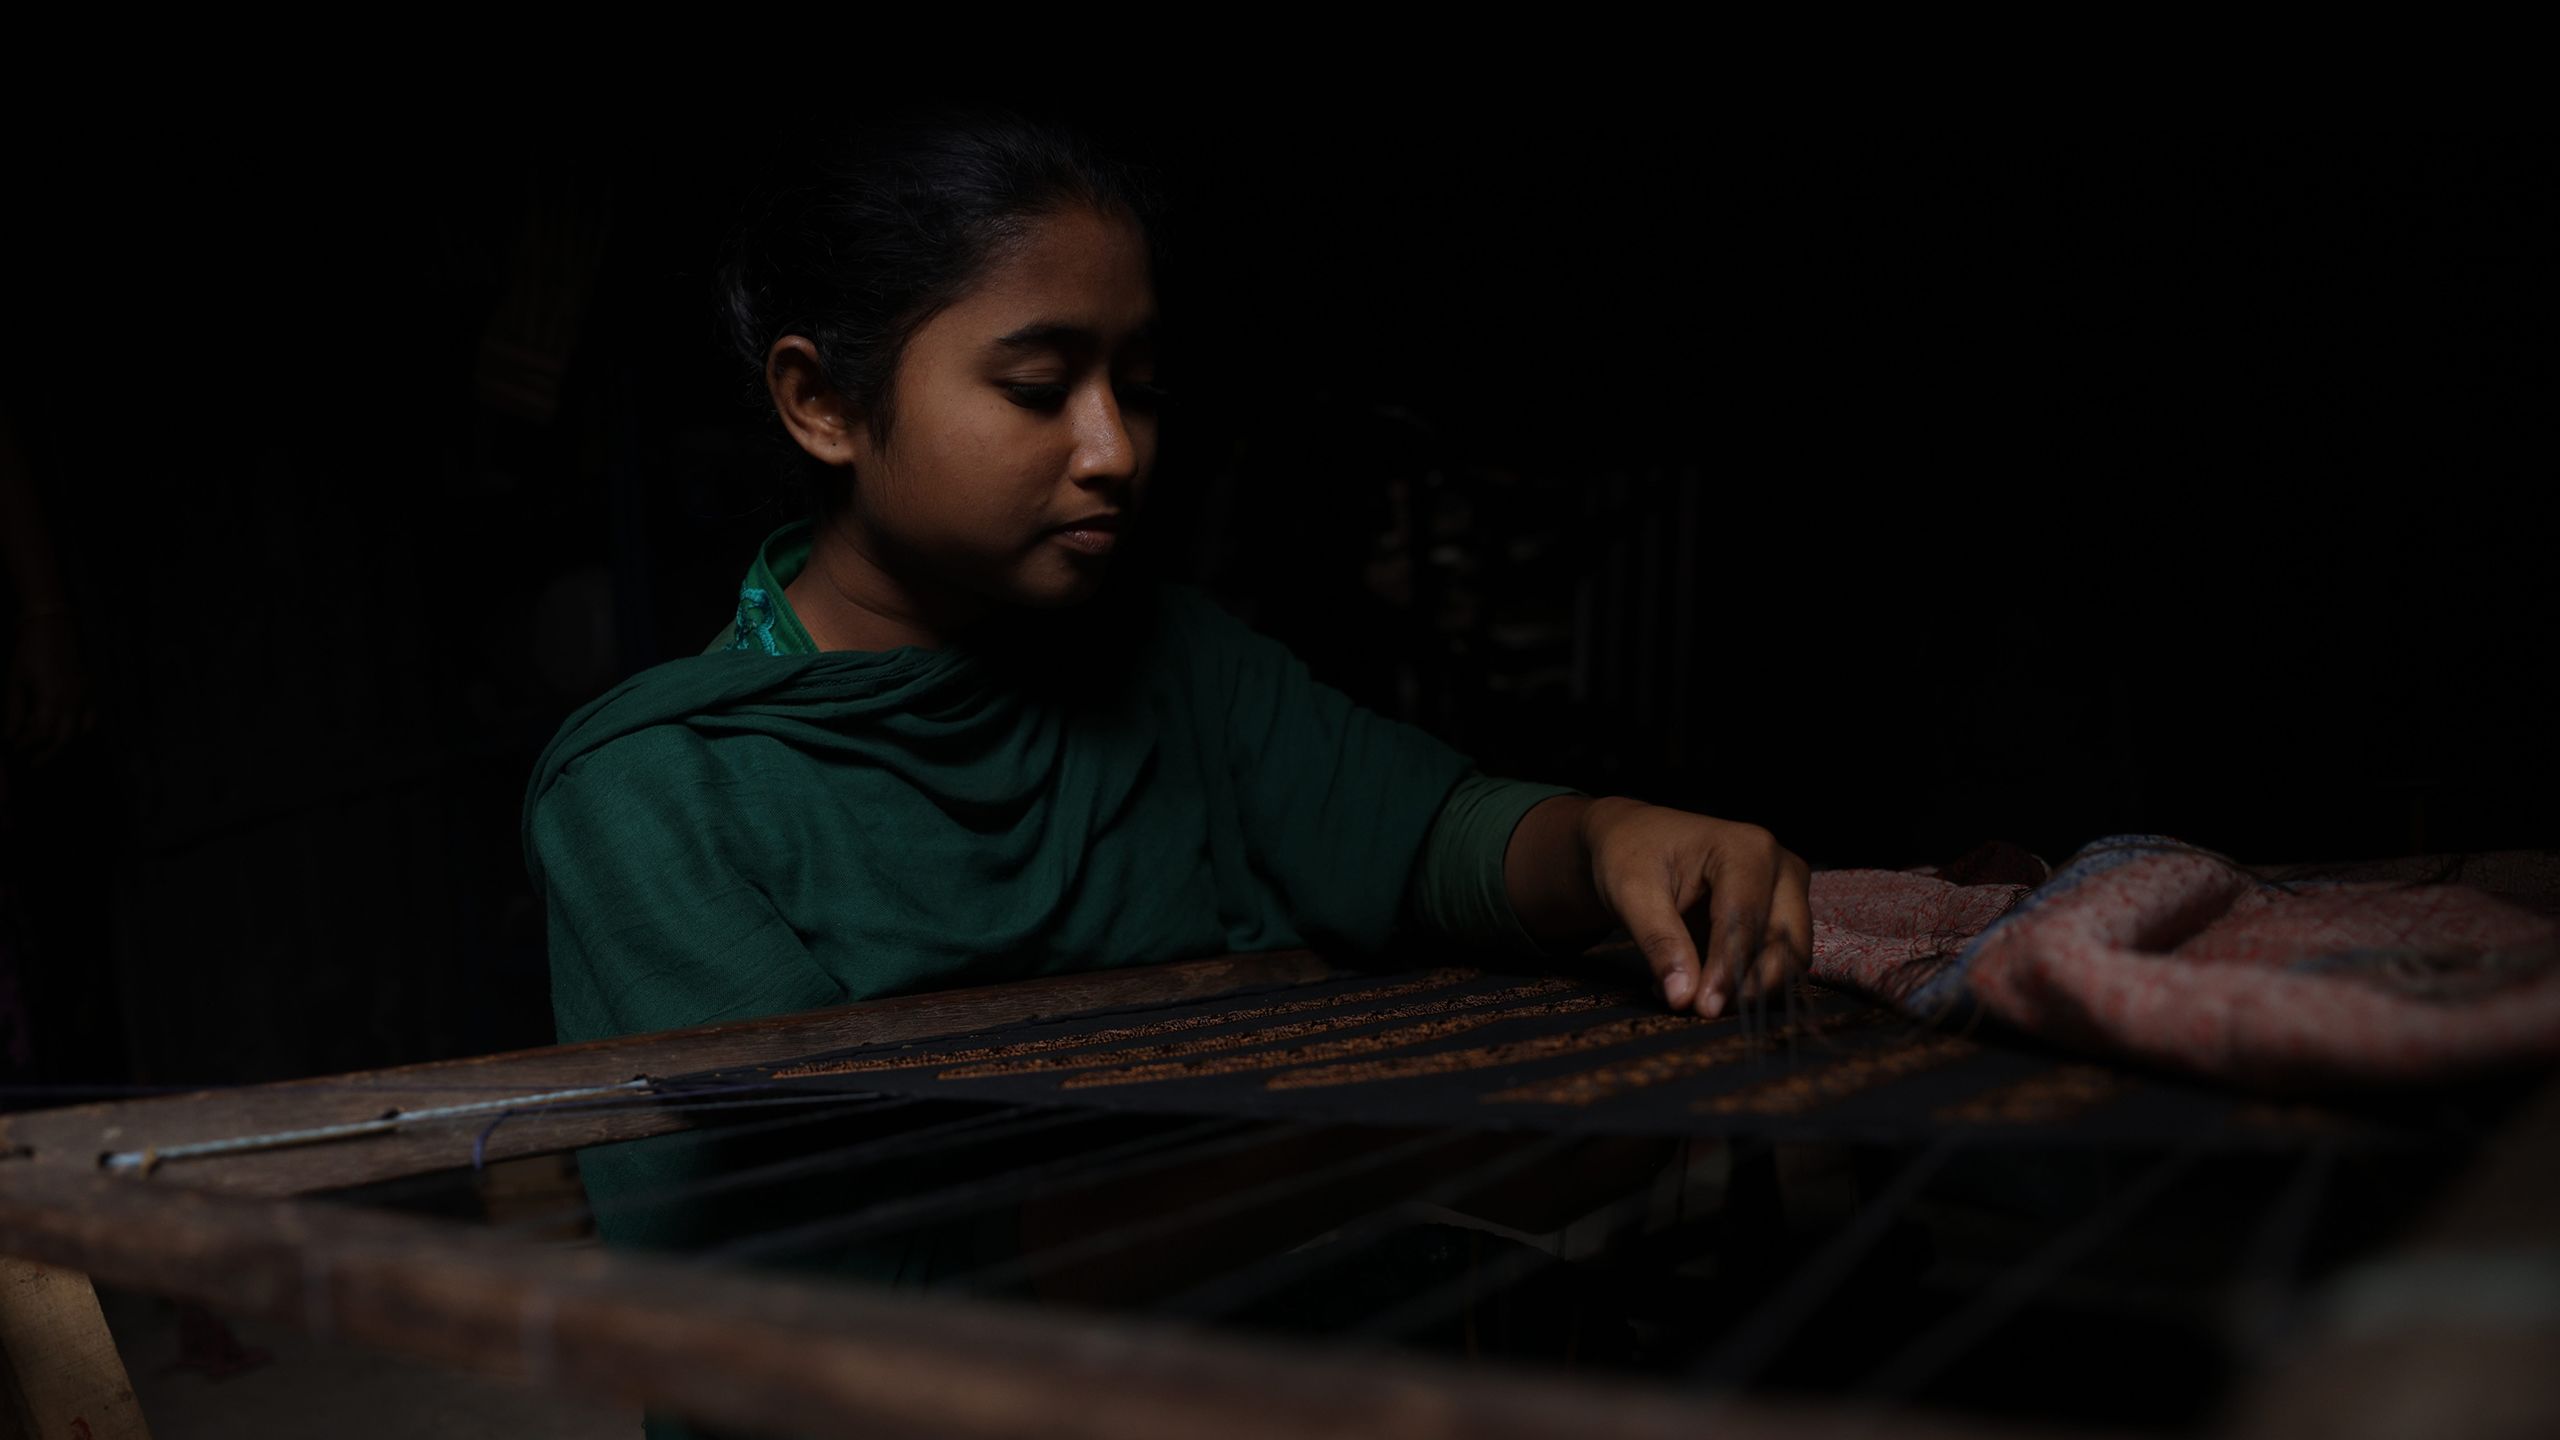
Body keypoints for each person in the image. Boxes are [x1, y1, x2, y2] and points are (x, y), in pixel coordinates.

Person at [522, 106, 1810, 1436]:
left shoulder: (1175, 664)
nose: (1115, 451)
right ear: (824, 403)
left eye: (1136, 387)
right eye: (1038, 389)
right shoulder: (656, 799)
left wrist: (1605, 840)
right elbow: (850, 1295)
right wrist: (1375, 1151)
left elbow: (1426, 838)